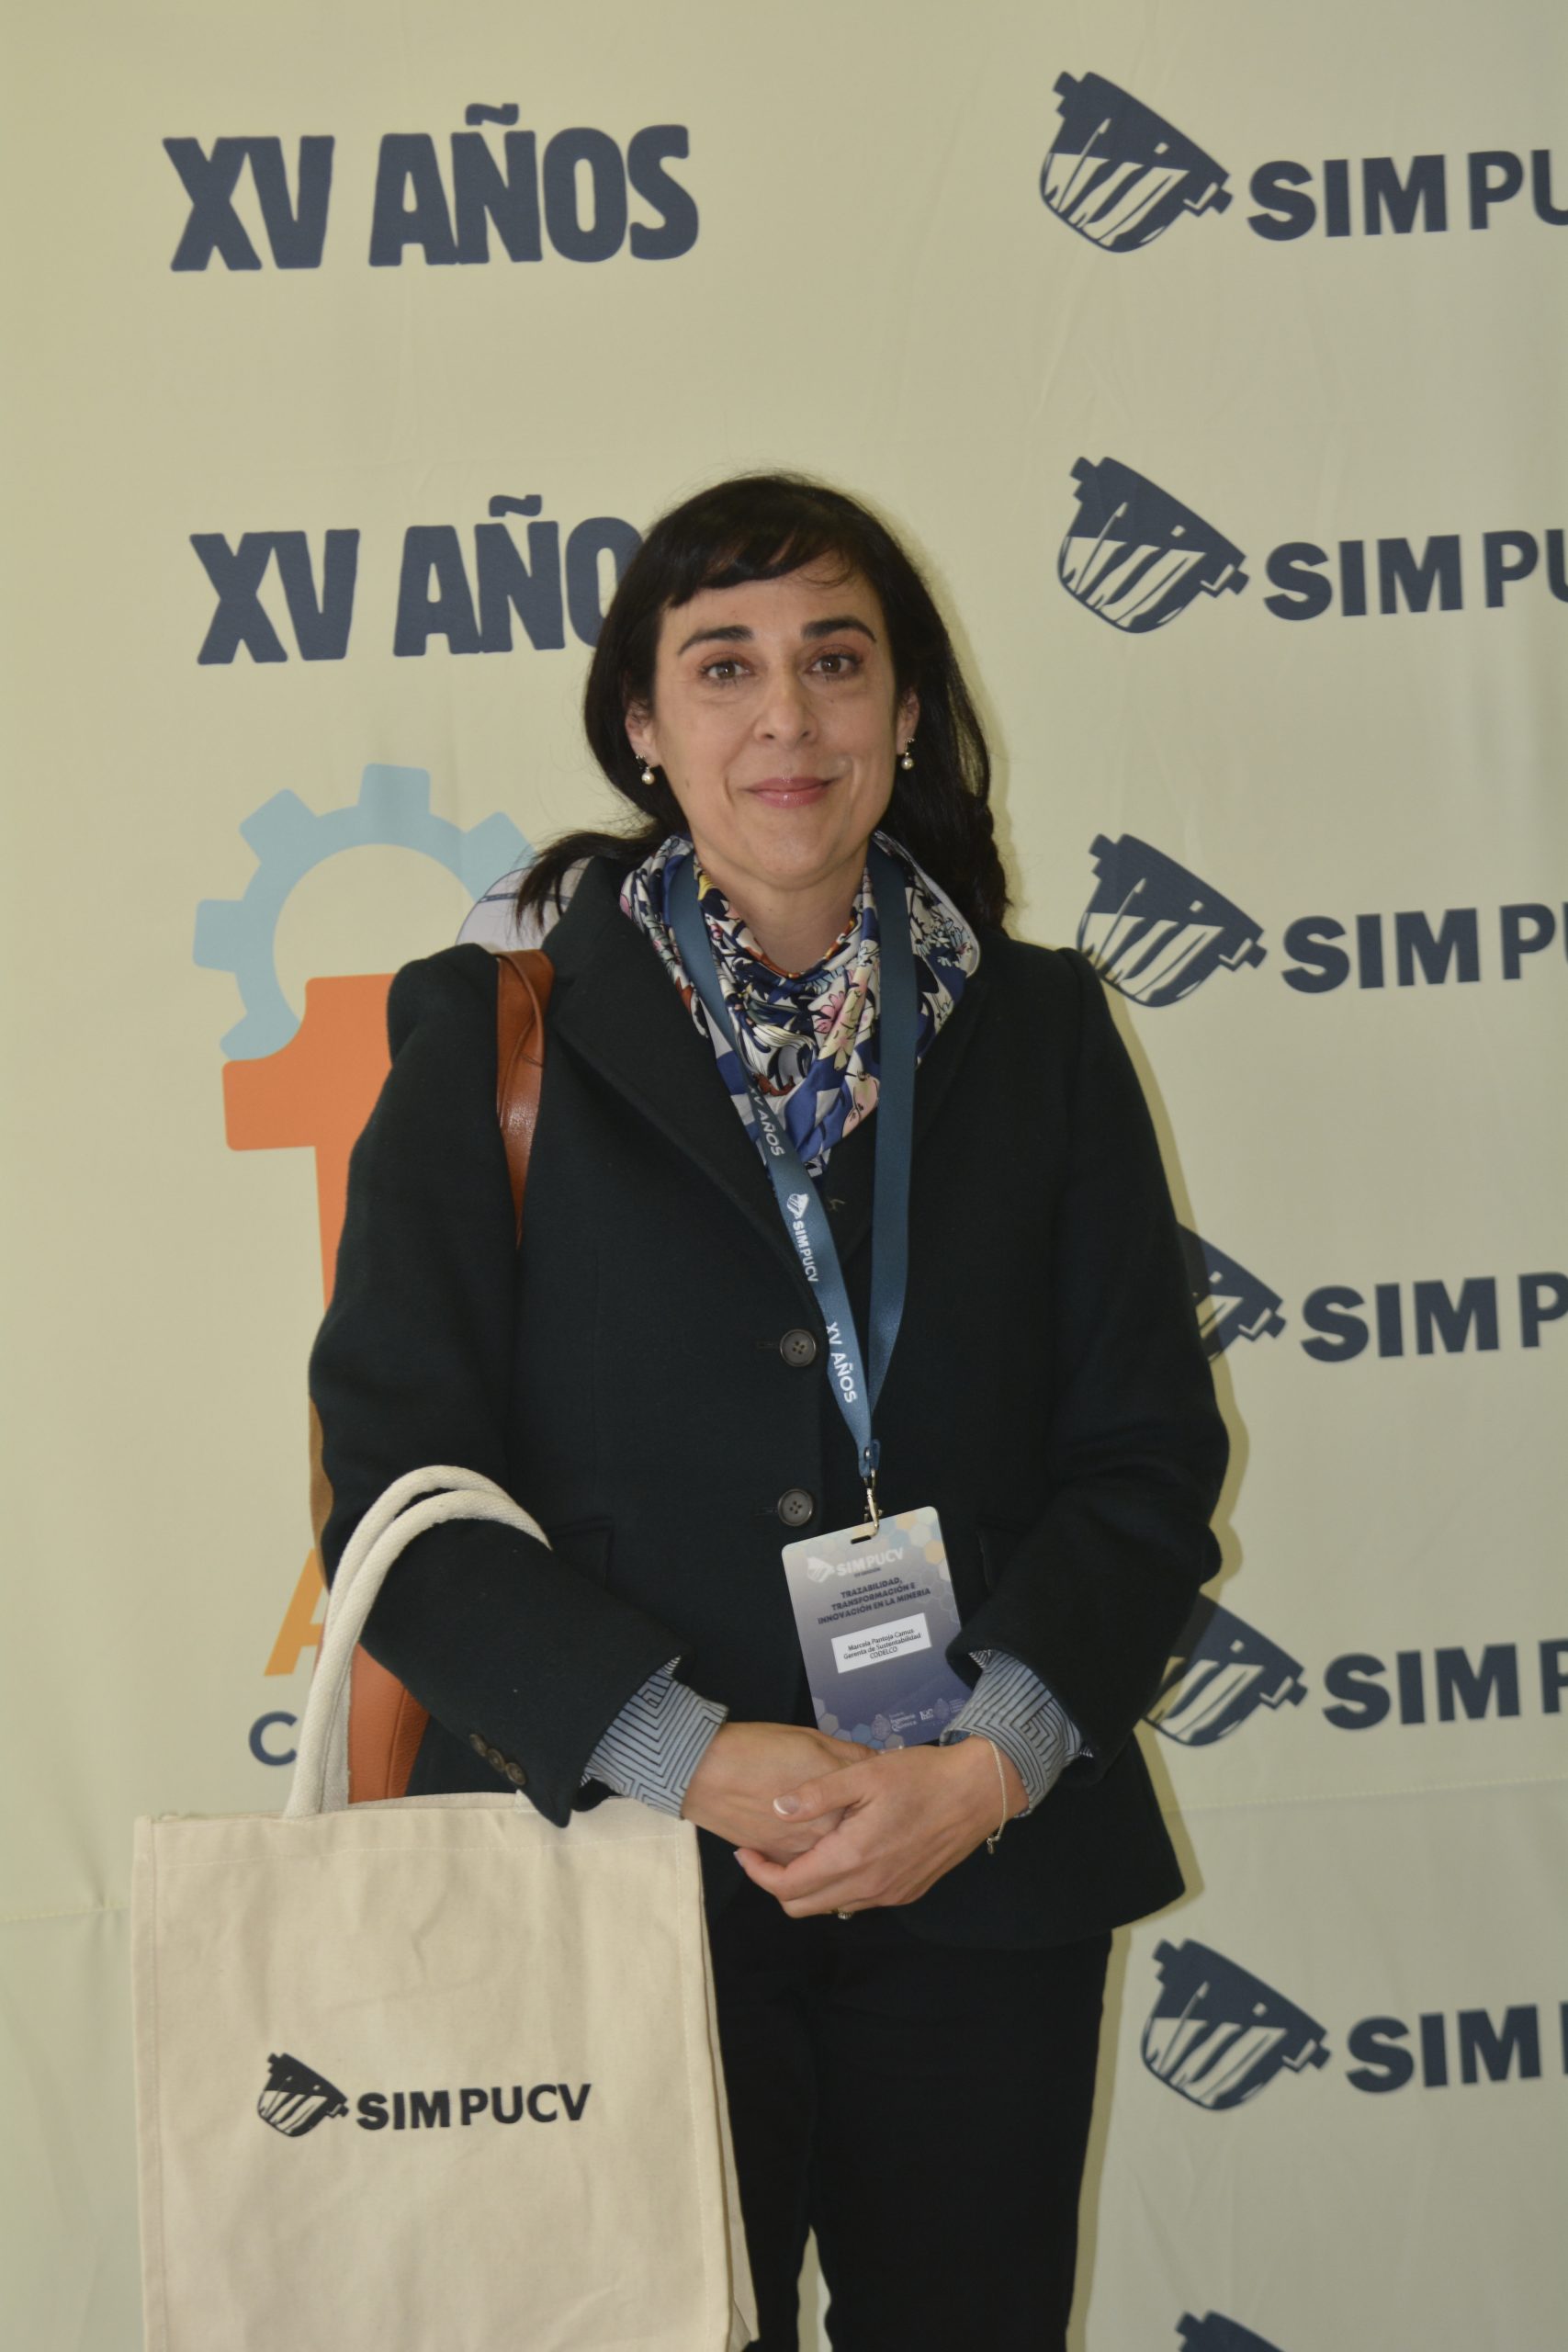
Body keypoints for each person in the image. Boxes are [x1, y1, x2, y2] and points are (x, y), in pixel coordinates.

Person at [309, 473, 1228, 2351]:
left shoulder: (1043, 1031)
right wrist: (685, 1753)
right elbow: (398, 1487)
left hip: (979, 1873)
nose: (786, 717)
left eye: (835, 659)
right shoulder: (491, 1030)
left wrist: (986, 1767)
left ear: (908, 710)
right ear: (642, 726)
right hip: (615, 1868)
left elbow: (1145, 1462)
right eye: (723, 665)